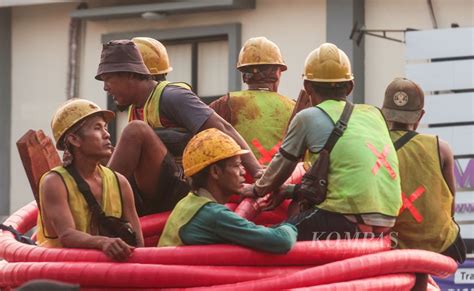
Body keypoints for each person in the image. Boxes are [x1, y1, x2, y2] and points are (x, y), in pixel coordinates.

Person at [243, 43, 402, 241]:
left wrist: (257, 189)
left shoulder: (308, 117)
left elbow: (281, 167)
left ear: (307, 87)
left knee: (269, 238)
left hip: (344, 218)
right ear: (350, 86)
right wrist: (292, 191)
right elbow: (349, 171)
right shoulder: (374, 114)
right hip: (388, 220)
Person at [96, 39, 262, 216]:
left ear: (129, 74)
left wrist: (258, 172)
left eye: (108, 80)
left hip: (185, 187)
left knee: (135, 131)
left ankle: (98, 205)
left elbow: (222, 128)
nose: (106, 88)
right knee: (98, 153)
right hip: (152, 192)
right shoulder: (136, 108)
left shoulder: (172, 96)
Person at [37, 98, 144, 261]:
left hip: (111, 276)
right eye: (97, 128)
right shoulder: (54, 182)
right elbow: (66, 235)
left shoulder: (120, 182)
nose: (107, 134)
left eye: (105, 128)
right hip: (64, 275)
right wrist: (103, 242)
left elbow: (138, 241)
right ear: (74, 139)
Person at [158, 128, 297, 253]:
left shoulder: (187, 202)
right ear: (215, 172)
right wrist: (293, 225)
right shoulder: (212, 215)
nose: (243, 171)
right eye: (237, 166)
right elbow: (281, 241)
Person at [382, 77, 466, 263]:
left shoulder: (375, 146)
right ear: (420, 115)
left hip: (391, 247)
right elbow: (450, 204)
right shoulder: (440, 148)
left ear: (384, 113)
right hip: (437, 247)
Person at [209, 37, 295, 166]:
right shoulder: (295, 107)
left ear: (244, 75)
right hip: (285, 181)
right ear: (277, 73)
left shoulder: (226, 103)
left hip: (239, 181)